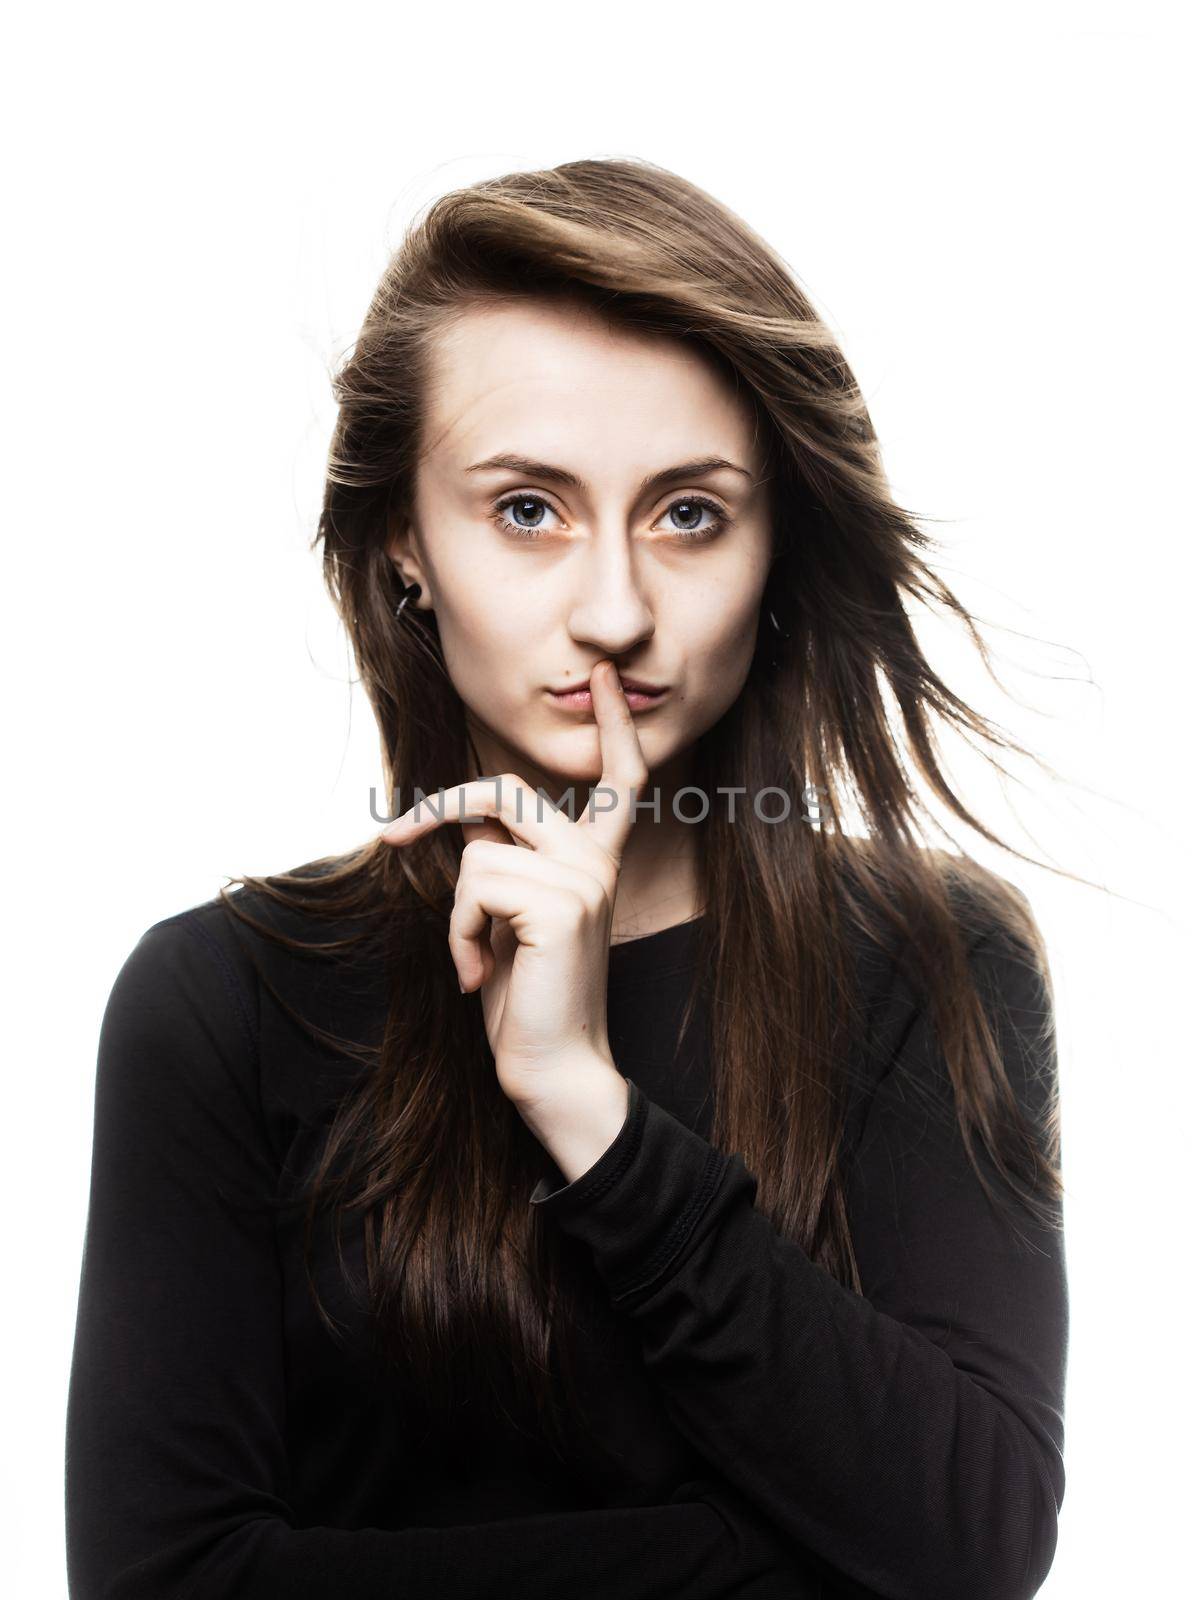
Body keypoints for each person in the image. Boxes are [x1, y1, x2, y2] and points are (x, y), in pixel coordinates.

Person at [65, 157, 1069, 1600]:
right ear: (406, 541)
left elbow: (972, 1546)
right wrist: (787, 1562)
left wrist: (587, 1106)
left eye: (689, 514)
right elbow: (163, 1580)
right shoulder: (222, 1002)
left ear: (778, 538)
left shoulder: (931, 959)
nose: (614, 614)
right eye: (528, 511)